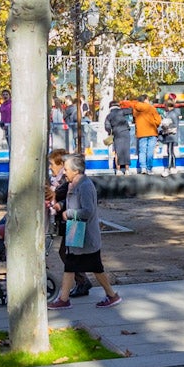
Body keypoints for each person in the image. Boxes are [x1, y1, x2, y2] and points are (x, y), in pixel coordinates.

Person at [47, 154, 121, 310]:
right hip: (76, 230)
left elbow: (87, 211)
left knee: (94, 266)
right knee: (71, 264)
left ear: (76, 170)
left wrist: (69, 213)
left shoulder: (85, 186)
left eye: (66, 169)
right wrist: (61, 206)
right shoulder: (73, 184)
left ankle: (112, 295)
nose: (64, 172)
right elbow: (72, 203)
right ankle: (64, 299)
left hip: (85, 233)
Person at [47, 149, 92, 297]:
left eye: (52, 164)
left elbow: (81, 205)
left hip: (75, 222)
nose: (50, 167)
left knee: (70, 254)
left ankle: (81, 282)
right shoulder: (66, 181)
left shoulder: (73, 182)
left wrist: (61, 205)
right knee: (68, 253)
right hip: (72, 222)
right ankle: (81, 282)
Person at [119, 95, 161, 174]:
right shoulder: (151, 108)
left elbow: (134, 119)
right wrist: (155, 124)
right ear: (145, 100)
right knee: (150, 151)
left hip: (141, 132)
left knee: (142, 151)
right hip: (152, 132)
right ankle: (149, 168)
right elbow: (158, 121)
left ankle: (143, 168)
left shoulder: (136, 109)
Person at [104, 103, 132, 175]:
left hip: (117, 133)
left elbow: (107, 126)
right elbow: (130, 111)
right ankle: (127, 170)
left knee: (117, 151)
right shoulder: (121, 111)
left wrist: (109, 132)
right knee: (126, 150)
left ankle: (118, 170)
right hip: (125, 132)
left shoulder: (109, 116)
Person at [159, 95, 180, 174]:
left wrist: (165, 126)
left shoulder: (172, 114)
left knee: (170, 151)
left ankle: (170, 167)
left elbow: (174, 125)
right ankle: (172, 167)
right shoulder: (170, 113)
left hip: (171, 135)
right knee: (169, 151)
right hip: (169, 135)